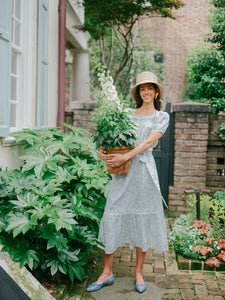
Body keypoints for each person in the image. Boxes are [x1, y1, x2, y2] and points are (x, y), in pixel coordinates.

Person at [87, 71, 169, 293]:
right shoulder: (126, 113)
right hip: (123, 172)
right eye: (142, 88)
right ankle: (107, 272)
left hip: (143, 171)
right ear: (138, 92)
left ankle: (138, 272)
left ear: (156, 91)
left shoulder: (161, 117)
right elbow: (112, 137)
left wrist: (126, 156)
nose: (147, 92)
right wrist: (103, 151)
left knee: (141, 217)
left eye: (150, 88)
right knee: (112, 212)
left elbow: (149, 142)